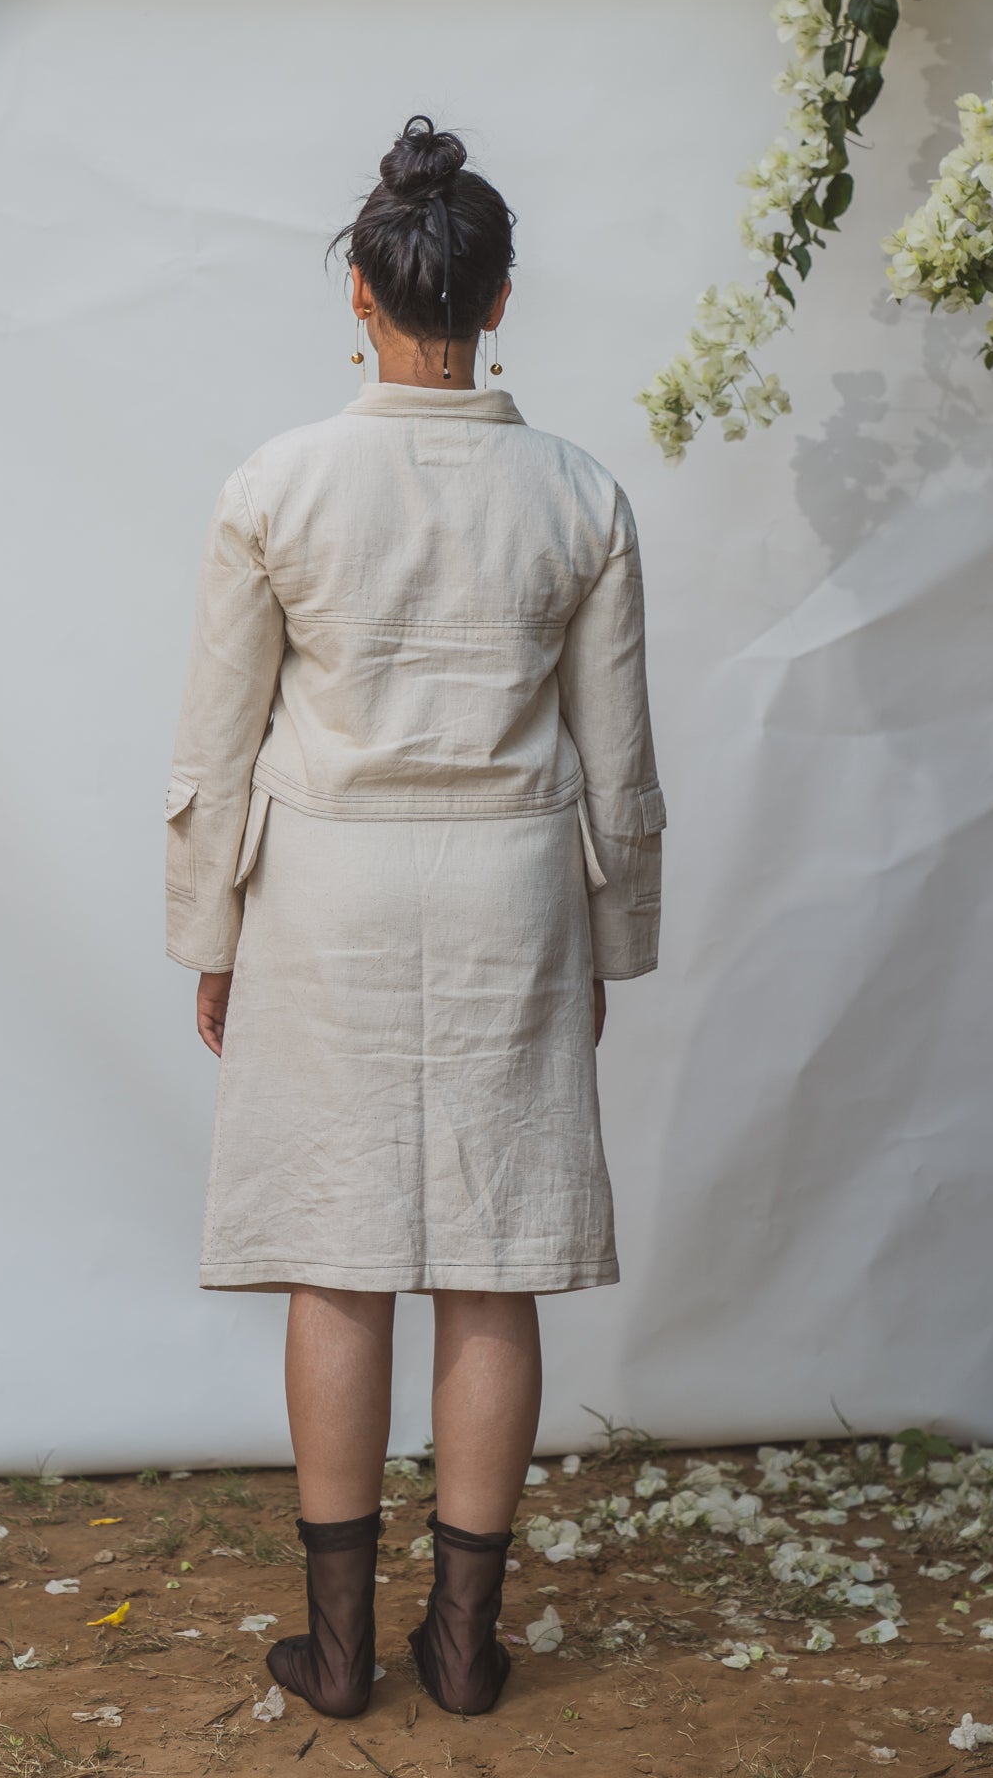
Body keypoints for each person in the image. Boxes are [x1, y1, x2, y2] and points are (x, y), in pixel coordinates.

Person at [164, 114, 665, 1721]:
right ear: (500, 298)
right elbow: (617, 760)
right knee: (490, 1262)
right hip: (513, 889)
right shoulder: (580, 494)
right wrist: (610, 942)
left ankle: (338, 1648)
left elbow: (217, 742)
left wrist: (210, 935)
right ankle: (461, 1647)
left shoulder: (276, 484)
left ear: (361, 298)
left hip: (325, 892)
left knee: (337, 1254)